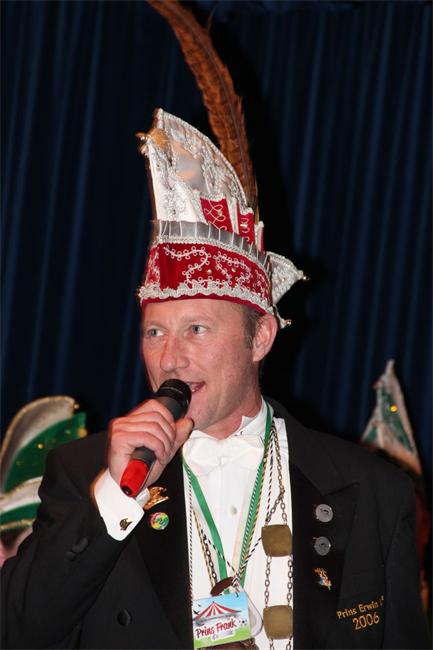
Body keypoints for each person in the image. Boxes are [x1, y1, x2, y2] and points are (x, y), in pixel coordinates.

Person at [2, 109, 429, 650]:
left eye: (196, 329)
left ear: (260, 337)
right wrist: (117, 494)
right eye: (155, 333)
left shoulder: (373, 490)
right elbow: (19, 630)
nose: (171, 358)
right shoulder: (86, 473)